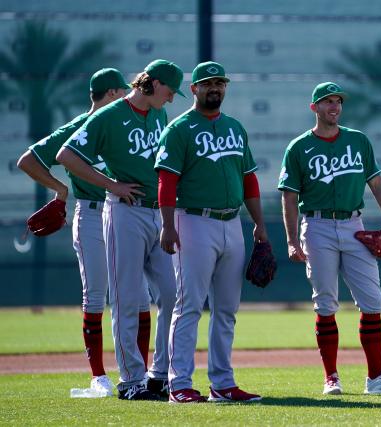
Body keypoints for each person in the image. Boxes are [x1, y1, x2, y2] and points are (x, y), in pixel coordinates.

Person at [57, 59, 183, 400]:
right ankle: (131, 381)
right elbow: (66, 154)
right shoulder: (108, 115)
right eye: (171, 91)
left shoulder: (158, 115)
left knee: (174, 295)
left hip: (158, 213)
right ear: (155, 84)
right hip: (125, 214)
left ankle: (158, 373)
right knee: (127, 298)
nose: (172, 99)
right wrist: (111, 184)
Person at [279, 82, 381, 396]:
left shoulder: (357, 141)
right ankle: (331, 378)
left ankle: (376, 377)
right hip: (317, 225)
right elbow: (289, 197)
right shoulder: (299, 147)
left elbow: (380, 187)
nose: (334, 107)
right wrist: (290, 240)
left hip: (354, 224)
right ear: (314, 108)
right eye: (327, 102)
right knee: (325, 303)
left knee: (372, 302)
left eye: (338, 102)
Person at [17, 68, 133, 397]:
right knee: (95, 295)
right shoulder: (76, 129)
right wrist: (60, 189)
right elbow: (28, 160)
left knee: (135, 295)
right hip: (93, 216)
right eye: (122, 92)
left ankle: (139, 375)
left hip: (127, 214)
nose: (127, 96)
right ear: (111, 94)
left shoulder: (125, 126)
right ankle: (98, 376)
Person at [154, 61, 265, 404]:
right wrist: (168, 226)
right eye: (207, 83)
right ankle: (179, 384)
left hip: (233, 223)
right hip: (194, 222)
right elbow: (166, 181)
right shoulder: (180, 129)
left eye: (220, 83)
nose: (214, 88)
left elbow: (249, 179)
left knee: (227, 309)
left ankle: (223, 382)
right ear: (194, 89)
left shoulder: (234, 127)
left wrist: (260, 225)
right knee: (189, 306)